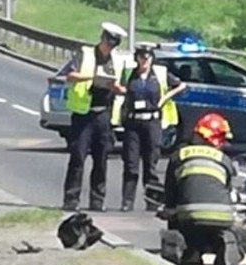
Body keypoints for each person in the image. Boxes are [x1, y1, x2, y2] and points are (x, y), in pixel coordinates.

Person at [158, 113, 243, 265]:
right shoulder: (224, 159)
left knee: (180, 220)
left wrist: (168, 210)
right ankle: (222, 240)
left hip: (189, 217)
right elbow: (229, 190)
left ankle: (189, 251)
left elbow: (171, 191)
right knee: (216, 226)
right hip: (222, 216)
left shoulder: (179, 156)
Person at [61, 22, 128, 212]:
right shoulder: (85, 53)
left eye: (113, 45)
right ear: (102, 39)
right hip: (83, 114)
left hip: (103, 114)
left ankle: (97, 201)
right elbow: (70, 75)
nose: (109, 47)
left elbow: (123, 88)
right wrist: (90, 76)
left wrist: (116, 88)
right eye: (108, 43)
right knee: (78, 157)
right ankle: (71, 199)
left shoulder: (117, 61)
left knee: (101, 159)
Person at [114, 43, 187, 212]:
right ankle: (127, 202)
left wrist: (164, 99)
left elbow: (180, 85)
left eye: (147, 58)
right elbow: (118, 88)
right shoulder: (129, 74)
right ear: (137, 59)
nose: (144, 61)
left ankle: (152, 201)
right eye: (141, 57)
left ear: (152, 59)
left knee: (151, 163)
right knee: (131, 163)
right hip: (133, 123)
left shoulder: (160, 73)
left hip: (152, 122)